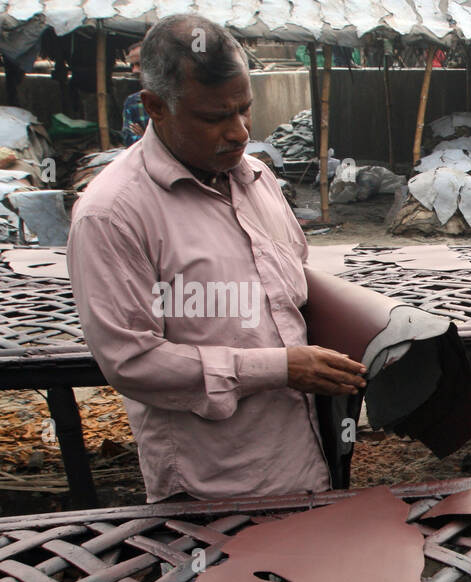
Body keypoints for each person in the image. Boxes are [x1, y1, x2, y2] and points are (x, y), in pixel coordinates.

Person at [67, 15, 366, 502]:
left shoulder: (257, 179)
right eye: (214, 118)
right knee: (216, 581)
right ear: (154, 108)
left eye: (245, 109)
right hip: (212, 488)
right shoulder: (113, 214)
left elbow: (294, 287)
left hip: (305, 464)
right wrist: (280, 367)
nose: (240, 132)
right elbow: (131, 361)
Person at [120, 43, 148, 146]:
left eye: (139, 64)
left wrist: (144, 136)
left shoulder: (177, 98)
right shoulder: (133, 102)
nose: (135, 70)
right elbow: (130, 142)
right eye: (132, 65)